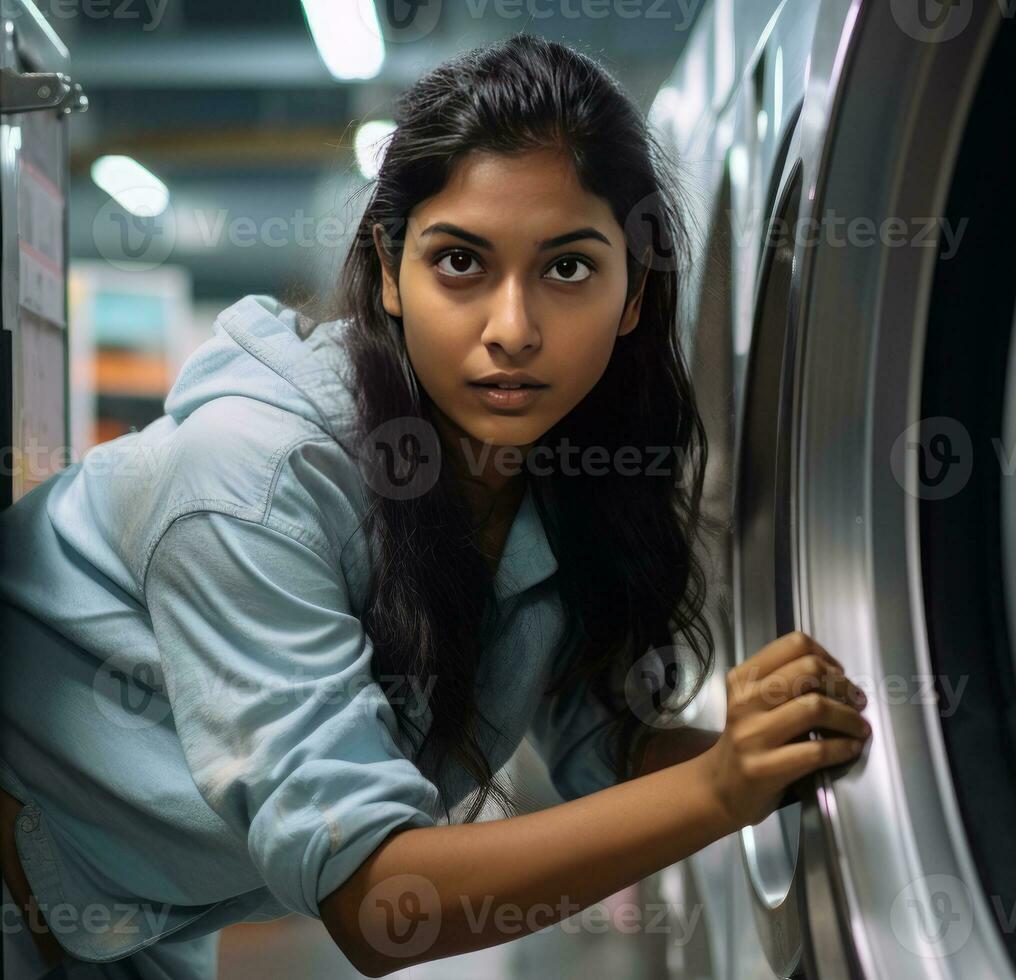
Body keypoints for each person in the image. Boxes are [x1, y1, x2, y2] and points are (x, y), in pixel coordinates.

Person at [0, 33, 871, 977]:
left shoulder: (552, 476)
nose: (513, 330)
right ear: (389, 271)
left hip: (130, 923)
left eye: (568, 268)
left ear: (633, 293)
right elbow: (383, 907)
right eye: (461, 262)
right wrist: (718, 787)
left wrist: (786, 749)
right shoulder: (253, 478)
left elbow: (609, 754)